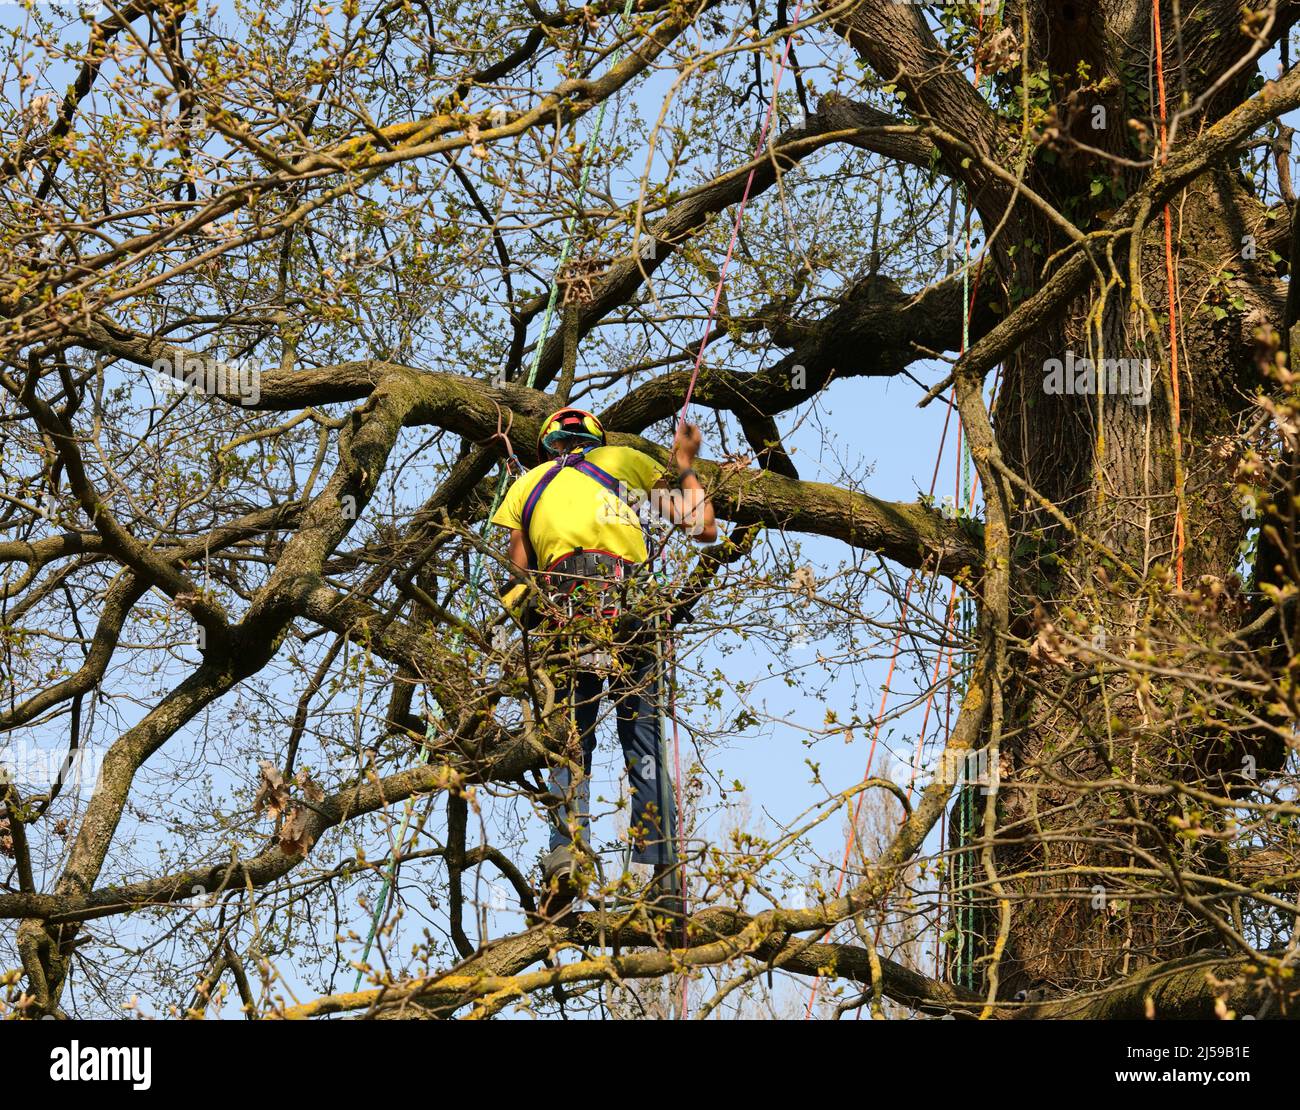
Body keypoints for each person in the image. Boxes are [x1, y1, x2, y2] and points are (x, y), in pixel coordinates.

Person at [491, 407, 716, 916]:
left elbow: (514, 579)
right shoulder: (623, 461)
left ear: (548, 445)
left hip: (563, 617)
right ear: (595, 438)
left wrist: (533, 621)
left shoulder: (525, 486)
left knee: (569, 743)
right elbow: (702, 526)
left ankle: (567, 858)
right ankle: (660, 874)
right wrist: (684, 462)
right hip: (629, 608)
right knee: (642, 737)